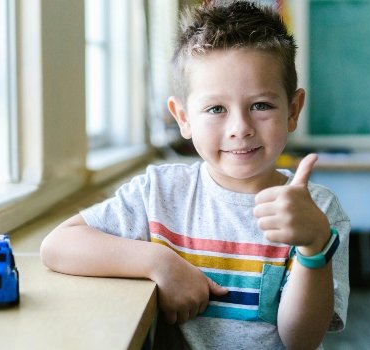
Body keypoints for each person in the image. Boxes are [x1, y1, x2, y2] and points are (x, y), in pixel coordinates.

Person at [40, 1, 350, 348]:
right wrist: (159, 262)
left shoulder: (317, 210)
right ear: (183, 118)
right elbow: (57, 246)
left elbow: (302, 340)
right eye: (216, 108)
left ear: (292, 111)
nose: (240, 128)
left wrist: (313, 247)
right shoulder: (160, 192)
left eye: (260, 105)